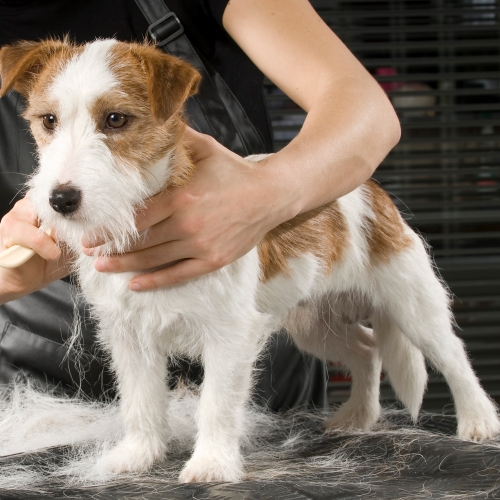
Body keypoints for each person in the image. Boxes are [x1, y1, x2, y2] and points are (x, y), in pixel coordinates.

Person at [0, 0, 400, 406]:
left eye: (116, 120)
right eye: (48, 122)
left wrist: (267, 193)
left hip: (255, 367)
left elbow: (366, 111)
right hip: (39, 390)